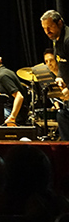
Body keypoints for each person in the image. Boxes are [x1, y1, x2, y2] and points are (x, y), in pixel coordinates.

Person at [40, 10, 69, 140]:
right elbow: (62, 62)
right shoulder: (57, 40)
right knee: (62, 115)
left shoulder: (68, 40)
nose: (47, 31)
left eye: (50, 27)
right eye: (44, 28)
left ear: (60, 23)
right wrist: (59, 77)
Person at [0, 48, 29, 126]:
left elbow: (19, 96)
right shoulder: (4, 72)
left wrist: (12, 117)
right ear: (0, 59)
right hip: (10, 108)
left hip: (16, 112)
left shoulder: (3, 76)